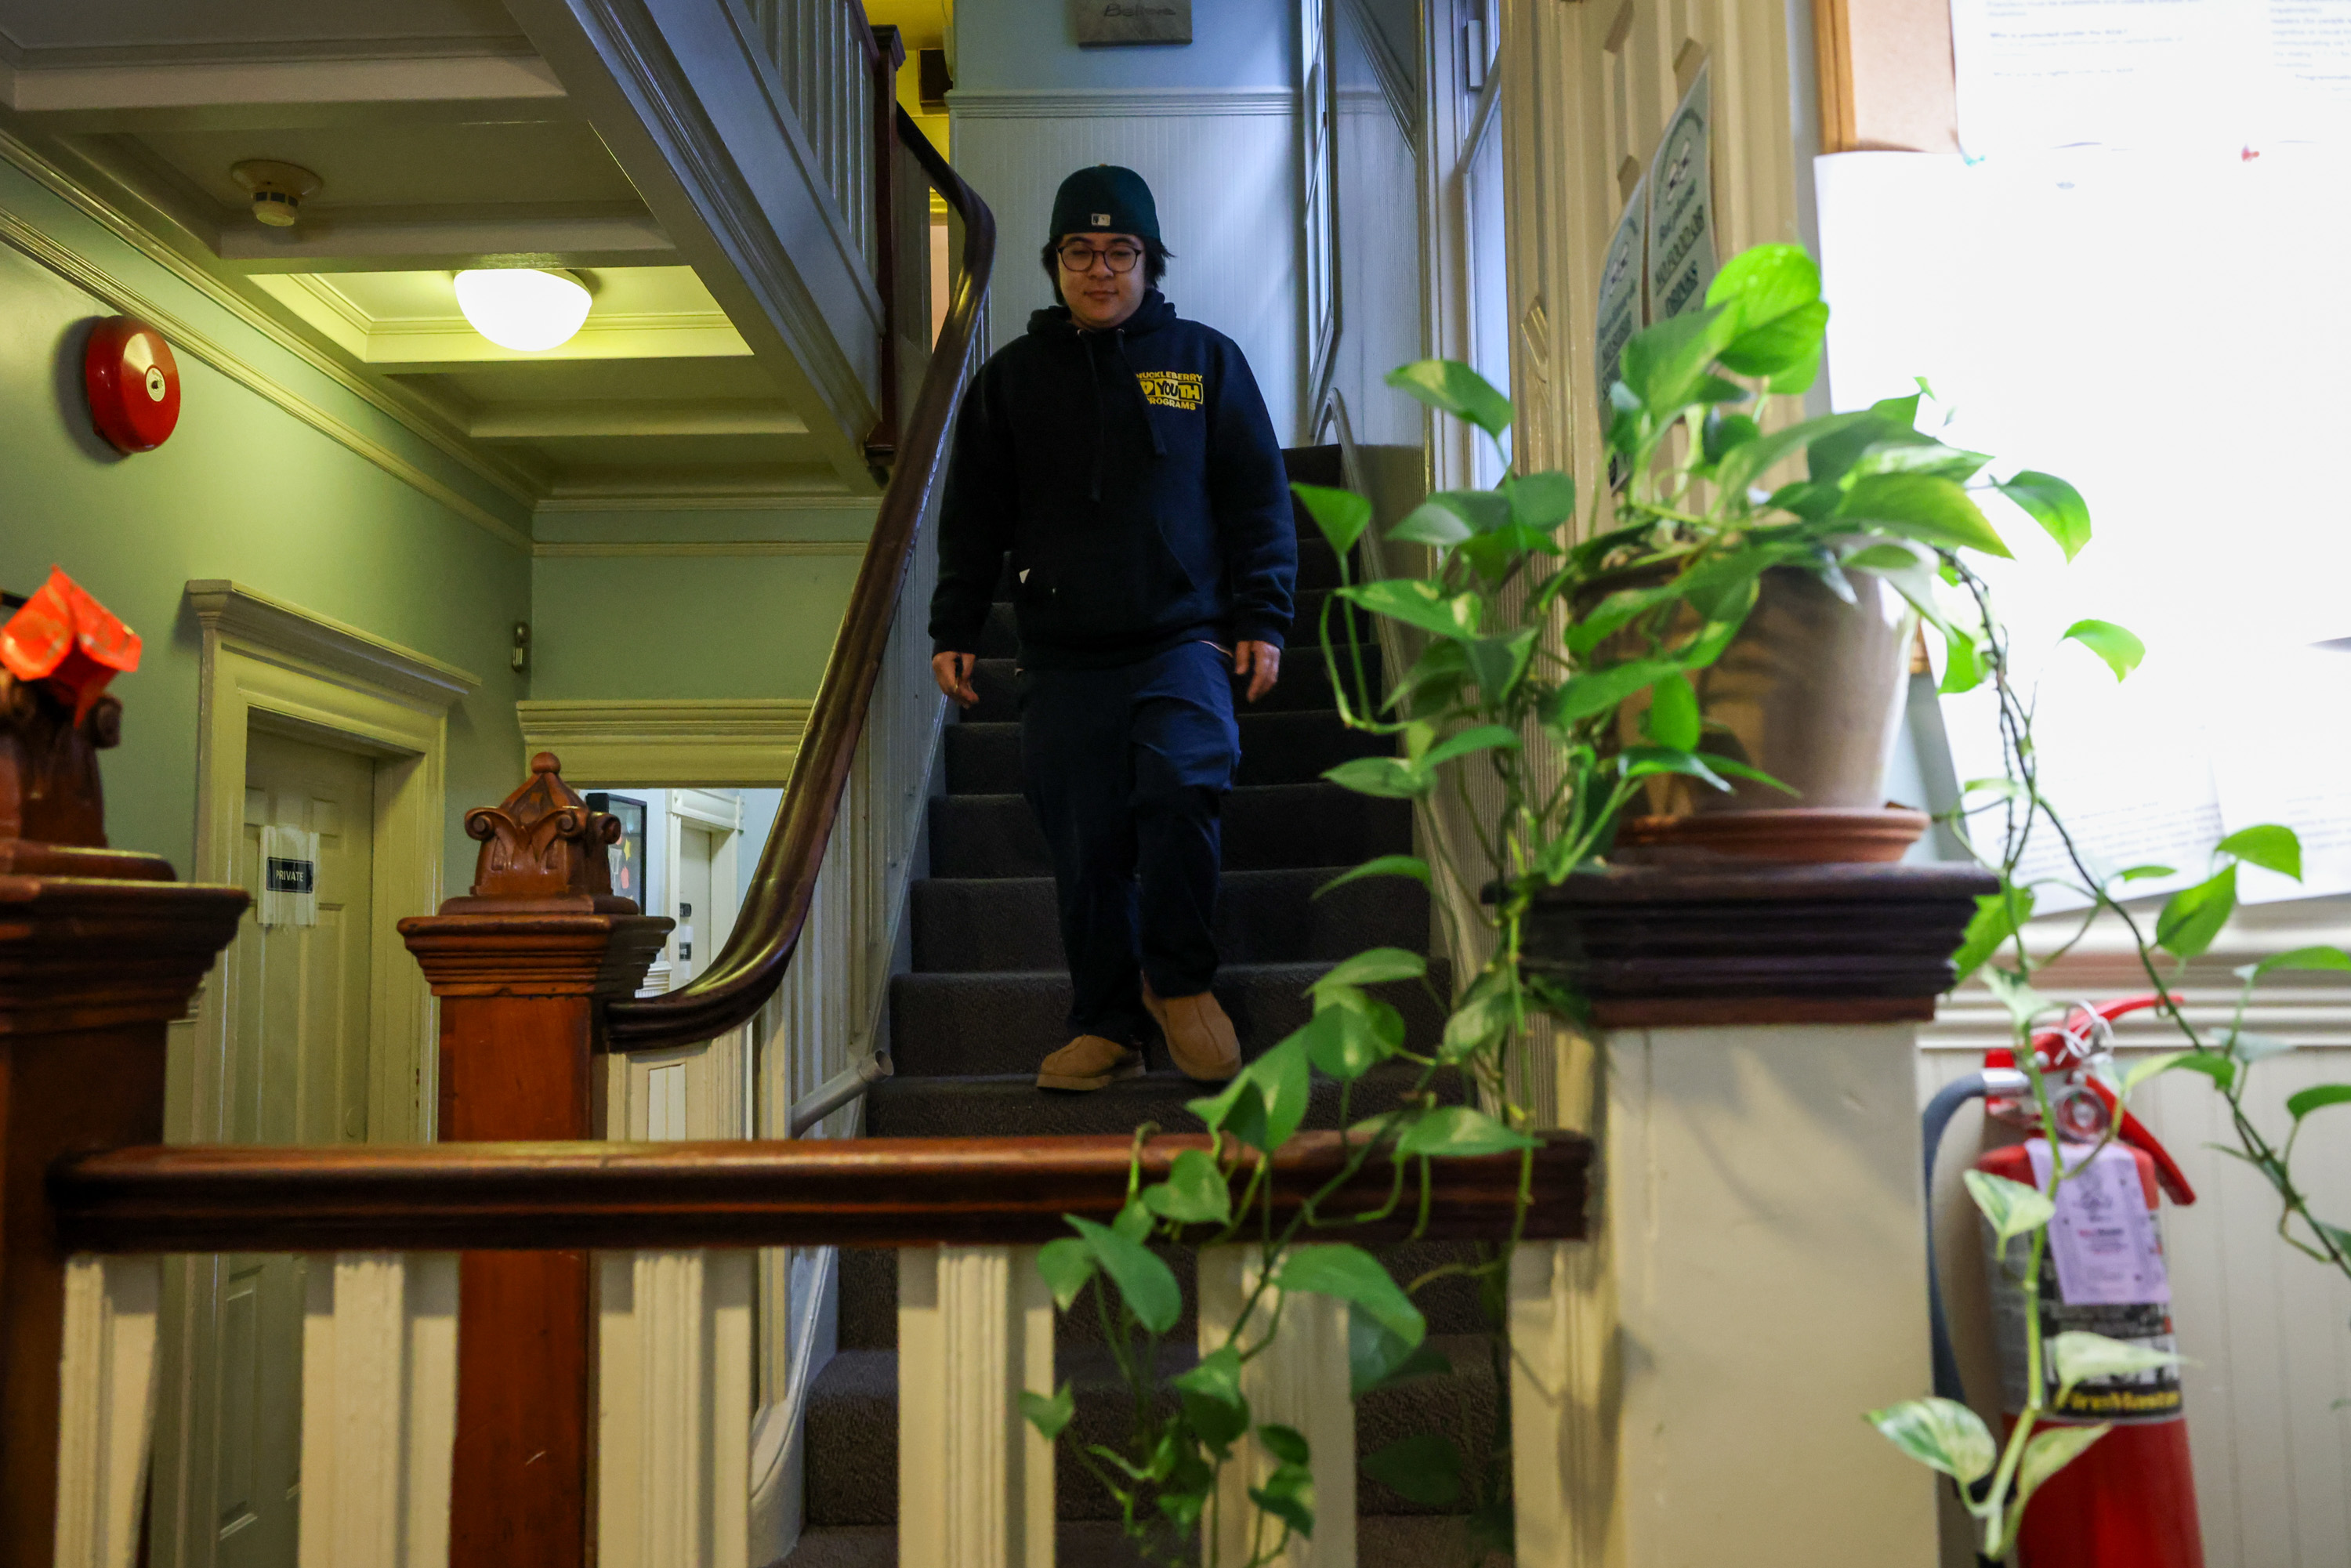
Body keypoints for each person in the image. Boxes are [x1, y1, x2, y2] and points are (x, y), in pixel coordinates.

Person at [928, 165, 1297, 1092]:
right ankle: (1104, 1021)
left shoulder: (1204, 362)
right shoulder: (1008, 382)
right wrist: (955, 624)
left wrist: (1266, 616)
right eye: (1081, 252)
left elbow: (1258, 498)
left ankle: (1179, 985)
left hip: (1185, 638)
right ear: (1056, 262)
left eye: (1120, 251)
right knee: (1084, 841)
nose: (1102, 270)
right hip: (1061, 654)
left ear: (1150, 260)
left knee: (1182, 791)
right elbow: (973, 515)